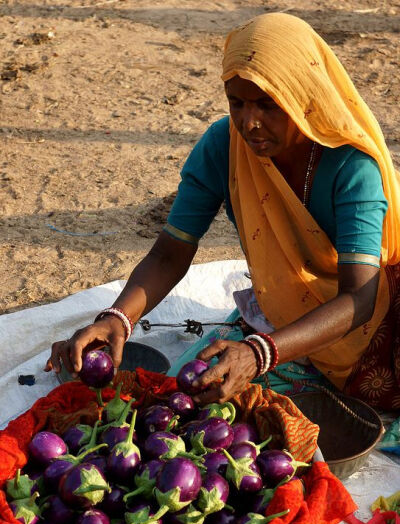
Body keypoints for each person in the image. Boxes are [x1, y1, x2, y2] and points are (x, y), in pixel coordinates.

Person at [45, 13, 400, 410]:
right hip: (280, 317)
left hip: (370, 324)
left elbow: (359, 296)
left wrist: (258, 353)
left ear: (304, 96)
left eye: (268, 105)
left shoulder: (353, 167)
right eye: (237, 103)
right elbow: (170, 252)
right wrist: (117, 318)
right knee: (187, 402)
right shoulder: (223, 147)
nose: (250, 123)